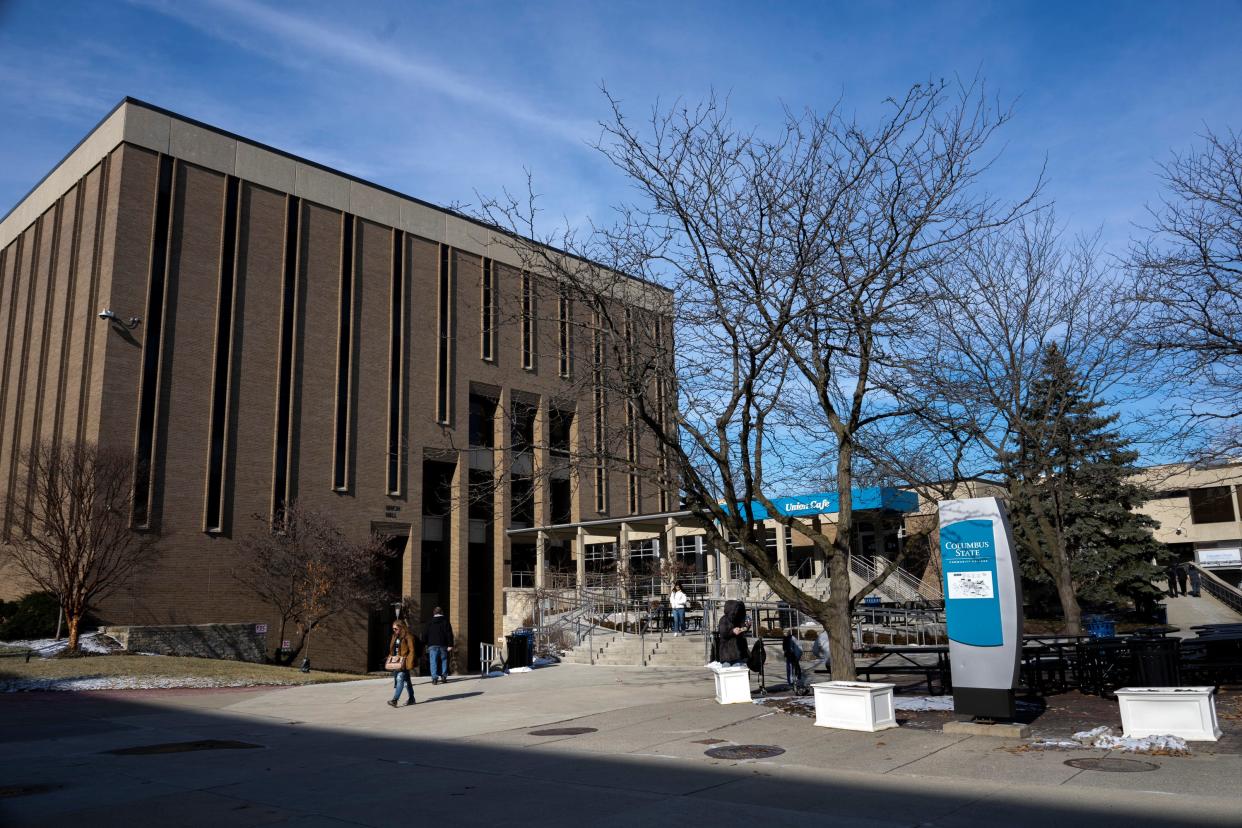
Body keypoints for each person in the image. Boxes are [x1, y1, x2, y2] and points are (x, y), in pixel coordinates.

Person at [386, 620, 416, 707]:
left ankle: (395, 700)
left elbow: (412, 650)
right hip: (397, 662)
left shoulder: (408, 636)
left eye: (395, 628)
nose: (394, 630)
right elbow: (392, 650)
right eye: (393, 629)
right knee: (407, 682)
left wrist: (408, 663)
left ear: (401, 627)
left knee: (400, 678)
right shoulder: (395, 636)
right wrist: (390, 658)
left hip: (404, 662)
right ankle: (412, 698)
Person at [424, 606, 454, 685]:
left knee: (433, 661)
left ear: (434, 613)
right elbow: (449, 633)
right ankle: (444, 676)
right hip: (443, 644)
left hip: (432, 645)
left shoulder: (429, 621)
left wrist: (425, 643)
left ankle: (434, 678)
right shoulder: (445, 621)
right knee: (444, 660)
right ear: (442, 612)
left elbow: (425, 634)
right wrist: (450, 644)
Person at [716, 600, 750, 664]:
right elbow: (723, 633)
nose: (736, 612)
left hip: (739, 652)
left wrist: (746, 627)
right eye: (735, 610)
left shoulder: (738, 619)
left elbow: (742, 629)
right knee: (728, 671)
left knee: (741, 671)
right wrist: (732, 631)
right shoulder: (724, 619)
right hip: (727, 654)